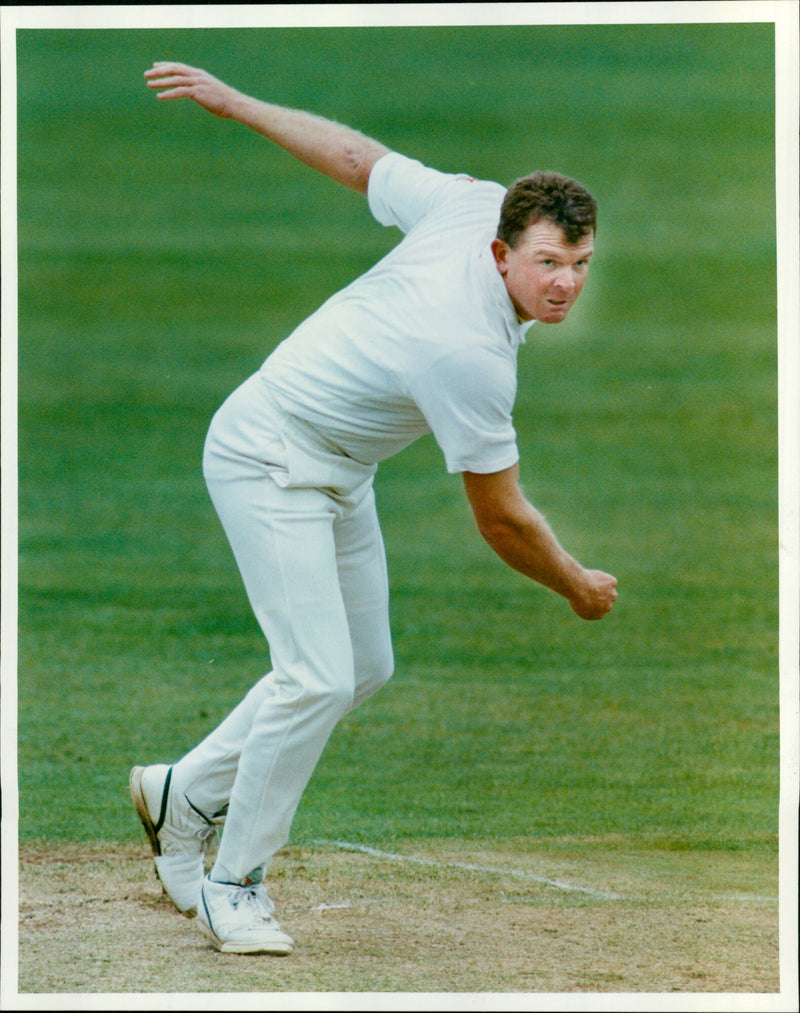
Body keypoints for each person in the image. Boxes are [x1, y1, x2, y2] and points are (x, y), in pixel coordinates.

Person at [129, 61, 618, 957]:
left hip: (337, 467)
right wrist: (576, 584)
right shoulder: (468, 354)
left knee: (361, 667)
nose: (565, 285)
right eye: (549, 264)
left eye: (581, 265)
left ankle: (183, 791)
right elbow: (501, 518)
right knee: (313, 673)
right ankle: (232, 884)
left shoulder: (474, 203)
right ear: (503, 250)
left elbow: (360, 159)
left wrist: (238, 102)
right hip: (267, 455)